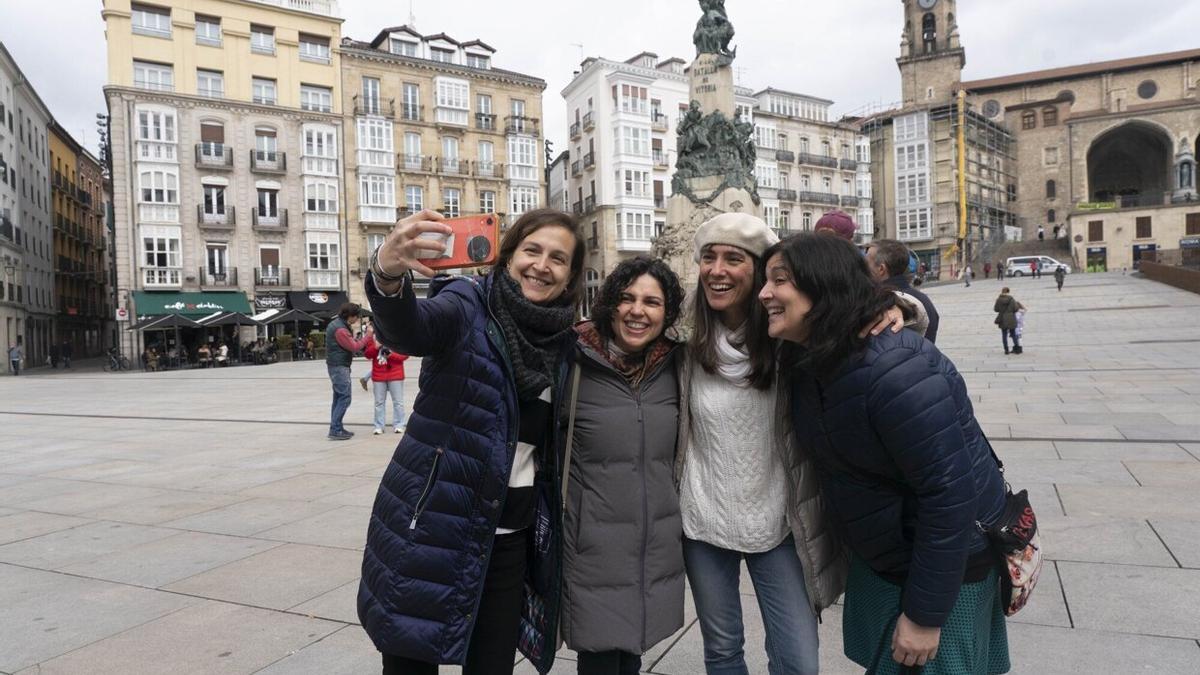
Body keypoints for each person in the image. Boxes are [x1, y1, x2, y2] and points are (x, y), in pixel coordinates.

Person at [758, 232, 1010, 675]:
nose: (765, 293)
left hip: (945, 566)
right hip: (886, 555)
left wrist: (925, 616)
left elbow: (949, 495)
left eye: (780, 280)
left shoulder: (894, 369)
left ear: (824, 286)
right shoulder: (810, 356)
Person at [358, 208, 585, 675]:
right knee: (409, 663)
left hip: (509, 540)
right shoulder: (466, 303)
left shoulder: (565, 342)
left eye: (558, 258)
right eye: (532, 250)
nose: (542, 265)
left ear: (570, 276)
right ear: (507, 256)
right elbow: (409, 328)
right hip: (434, 527)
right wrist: (387, 272)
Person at [677, 213, 903, 675]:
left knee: (798, 660)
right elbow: (625, 320)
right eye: (708, 258)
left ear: (762, 272)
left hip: (780, 519)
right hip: (703, 517)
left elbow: (849, 312)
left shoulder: (790, 335)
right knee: (722, 651)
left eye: (733, 259)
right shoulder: (683, 336)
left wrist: (900, 308)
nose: (717, 270)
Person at [563, 256, 687, 675]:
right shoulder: (572, 358)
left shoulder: (676, 365)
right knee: (599, 654)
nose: (638, 311)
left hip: (654, 542)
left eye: (652, 302)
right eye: (627, 298)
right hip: (591, 543)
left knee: (632, 649)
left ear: (667, 313)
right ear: (610, 303)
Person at [866, 239, 941, 343]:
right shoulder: (923, 299)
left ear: (881, 269)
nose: (862, 268)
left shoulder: (881, 302)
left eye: (866, 263)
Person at [325, 302, 372, 441]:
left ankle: (337, 426)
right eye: (356, 316)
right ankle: (335, 429)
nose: (357, 319)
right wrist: (368, 335)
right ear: (350, 316)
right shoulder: (341, 330)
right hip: (339, 366)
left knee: (338, 397)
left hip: (336, 365)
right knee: (345, 397)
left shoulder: (338, 324)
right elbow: (354, 347)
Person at [364, 335, 408, 435]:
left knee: (398, 402)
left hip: (395, 374)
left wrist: (391, 355)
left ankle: (399, 425)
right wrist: (375, 347)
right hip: (378, 375)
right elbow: (367, 354)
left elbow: (405, 355)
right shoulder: (374, 337)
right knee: (379, 402)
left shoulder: (397, 336)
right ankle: (378, 426)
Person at [995, 287, 1025, 355]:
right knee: (1013, 334)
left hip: (1002, 318)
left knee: (1004, 334)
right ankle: (1017, 349)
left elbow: (996, 309)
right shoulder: (1011, 299)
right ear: (1008, 292)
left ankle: (1006, 350)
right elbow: (1016, 308)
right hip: (1011, 318)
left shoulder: (998, 299)